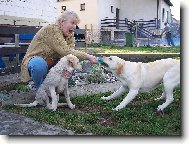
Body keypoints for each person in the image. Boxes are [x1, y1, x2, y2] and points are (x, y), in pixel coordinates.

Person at [21, 10, 98, 90]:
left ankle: (59, 89)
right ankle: (41, 91)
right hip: (35, 61)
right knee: (38, 64)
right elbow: (65, 51)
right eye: (72, 23)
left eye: (76, 24)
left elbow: (70, 55)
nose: (74, 26)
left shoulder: (70, 36)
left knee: (71, 61)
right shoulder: (52, 29)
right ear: (62, 22)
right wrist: (88, 56)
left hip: (52, 63)